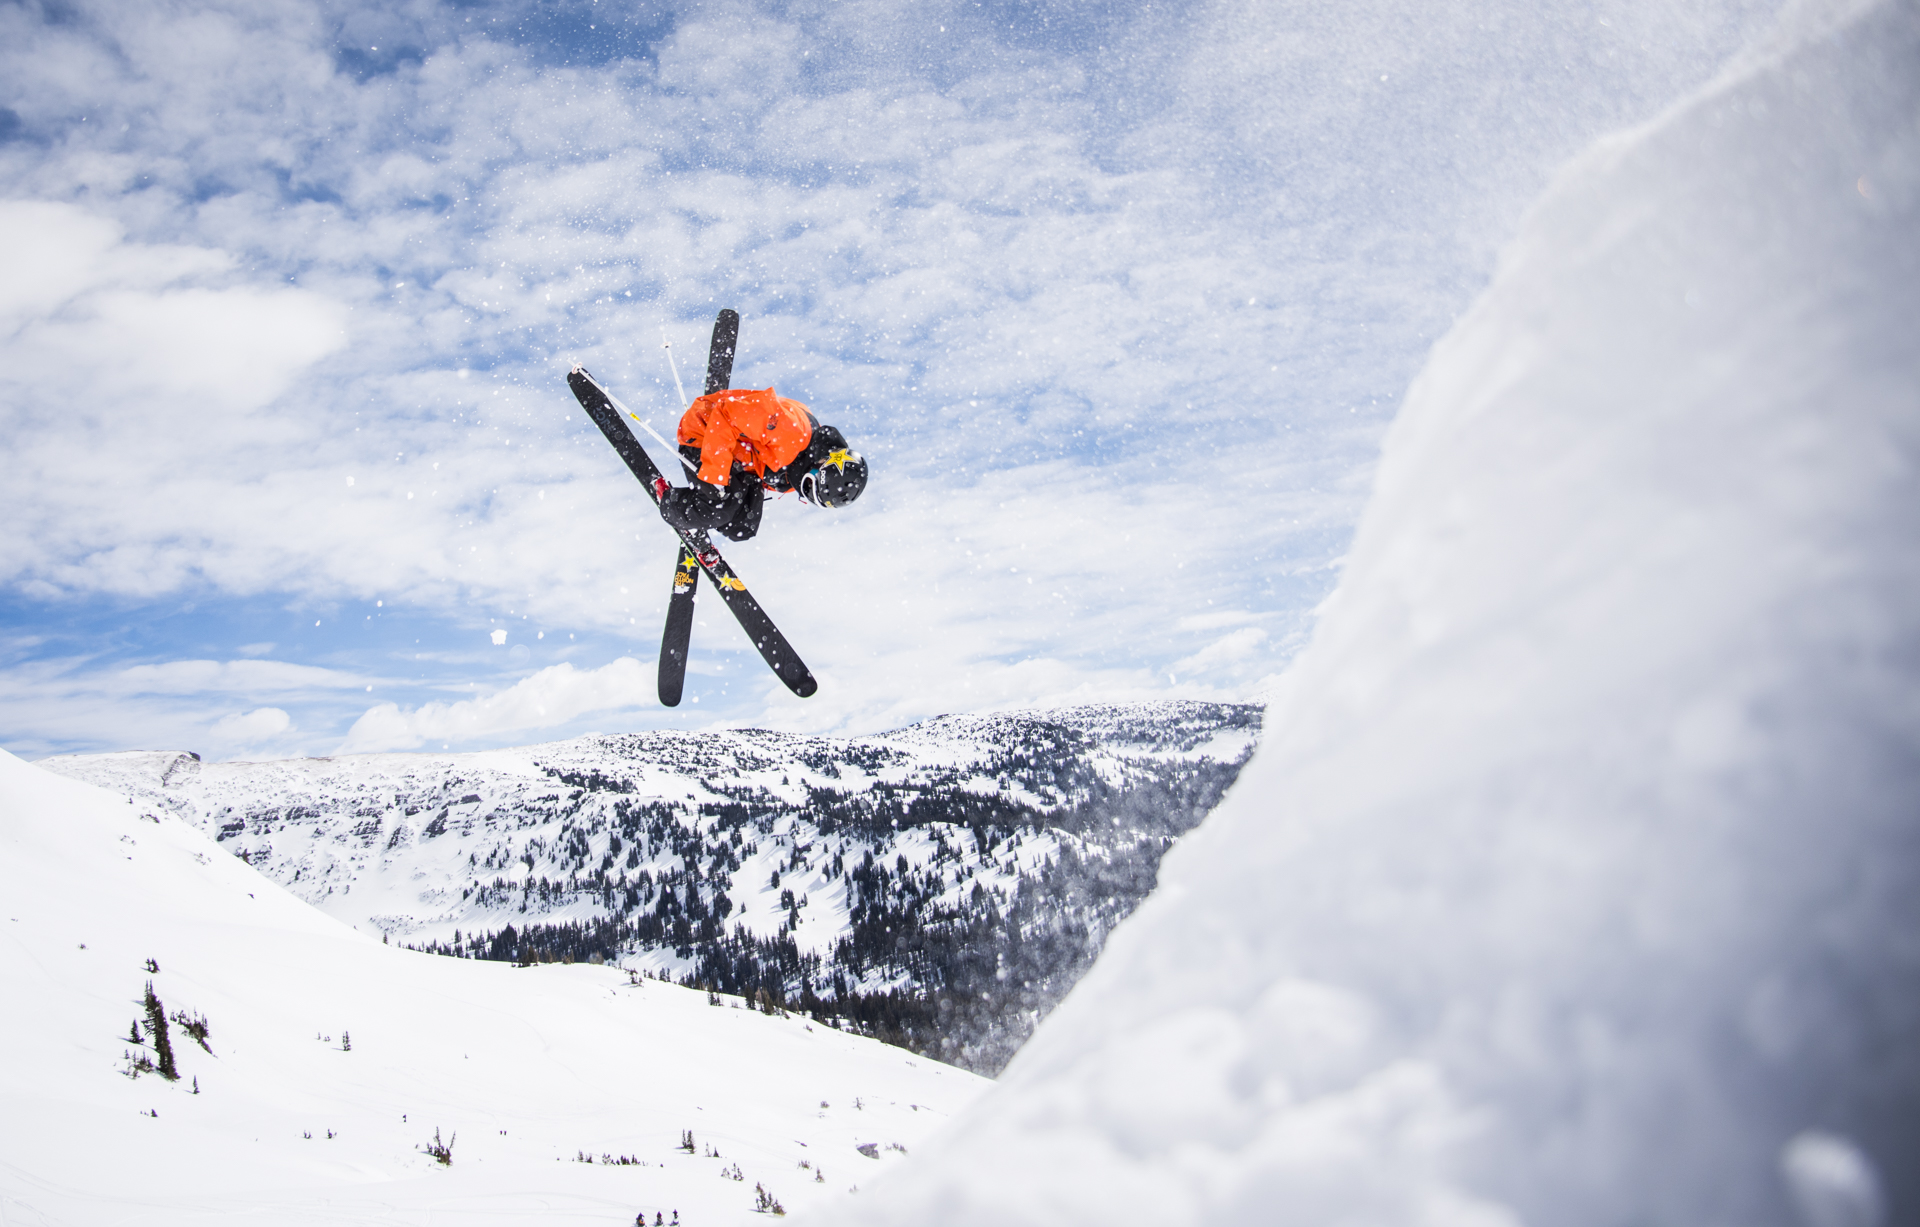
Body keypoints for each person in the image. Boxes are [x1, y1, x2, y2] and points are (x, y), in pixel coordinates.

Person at [654, 385, 868, 541]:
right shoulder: (791, 430)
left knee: (742, 526)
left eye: (812, 495)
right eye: (811, 485)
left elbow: (768, 470)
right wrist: (716, 479)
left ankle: (701, 511)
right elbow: (725, 414)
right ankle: (671, 503)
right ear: (821, 463)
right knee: (718, 509)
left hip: (738, 458)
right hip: (704, 432)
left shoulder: (799, 469)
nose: (805, 490)